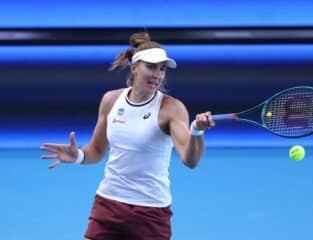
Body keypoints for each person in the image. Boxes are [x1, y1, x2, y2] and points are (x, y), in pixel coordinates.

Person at [40, 32, 215, 240]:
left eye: (162, 69)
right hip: (108, 203)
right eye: (151, 67)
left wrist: (196, 131)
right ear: (134, 67)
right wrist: (77, 156)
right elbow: (96, 151)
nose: (157, 74)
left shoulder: (172, 108)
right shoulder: (111, 100)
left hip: (151, 211)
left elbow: (190, 160)